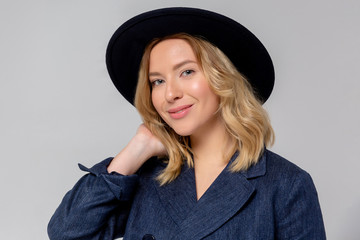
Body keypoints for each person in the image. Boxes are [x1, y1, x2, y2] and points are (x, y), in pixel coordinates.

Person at [48, 7, 326, 240]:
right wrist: (137, 147)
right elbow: (67, 233)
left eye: (187, 71)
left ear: (224, 78)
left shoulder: (286, 184)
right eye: (157, 81)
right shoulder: (147, 177)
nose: (170, 94)